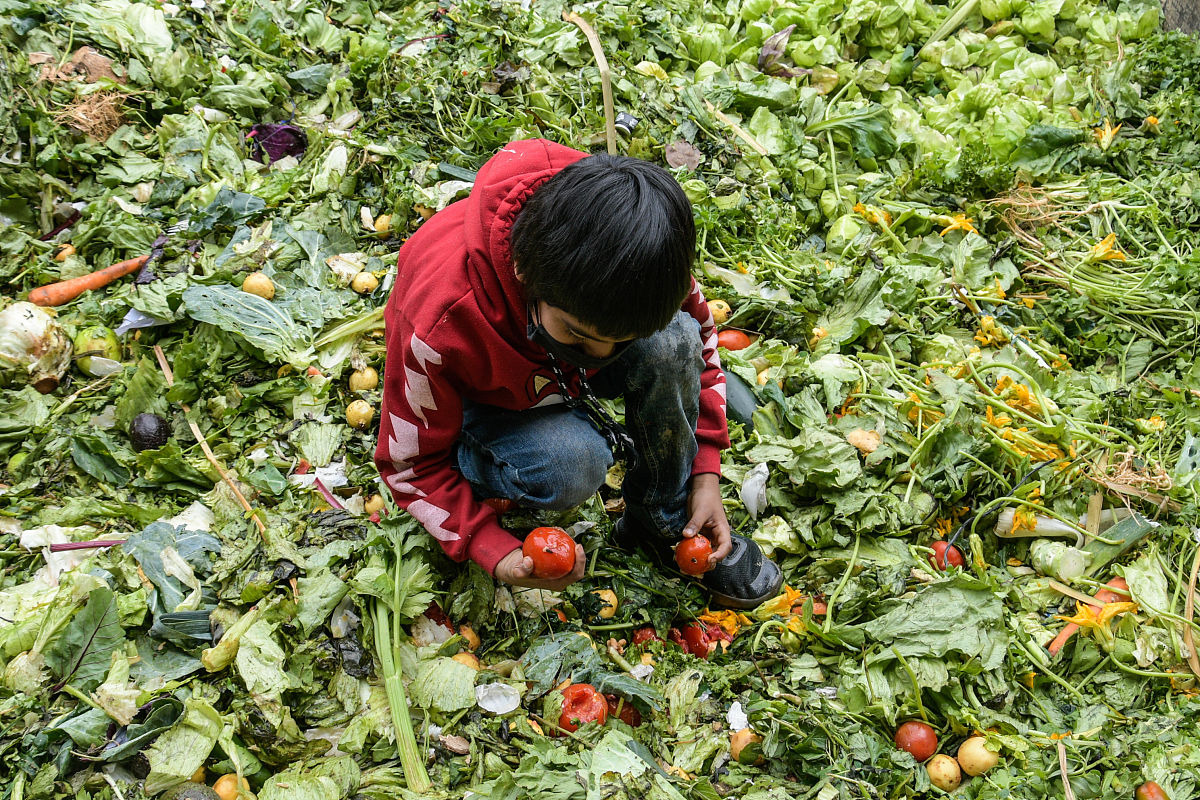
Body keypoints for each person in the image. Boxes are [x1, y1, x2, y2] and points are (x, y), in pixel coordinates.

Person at [373, 138, 781, 608]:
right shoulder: (443, 320)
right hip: (483, 395)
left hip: (550, 364)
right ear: (526, 271)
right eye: (579, 335)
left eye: (621, 342)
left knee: (672, 339)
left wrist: (705, 473)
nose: (603, 354)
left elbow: (702, 345)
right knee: (572, 462)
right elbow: (409, 466)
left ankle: (663, 516)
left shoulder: (642, 261)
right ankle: (481, 457)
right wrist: (492, 549)